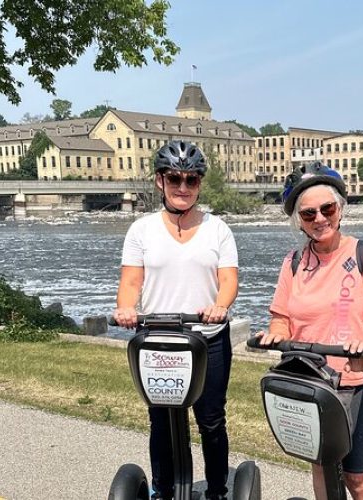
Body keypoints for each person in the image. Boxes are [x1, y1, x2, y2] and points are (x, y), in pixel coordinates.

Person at [258, 161, 363, 500]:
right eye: (309, 214)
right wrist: (276, 332)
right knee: (321, 466)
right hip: (310, 381)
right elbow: (281, 317)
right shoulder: (293, 262)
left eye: (327, 209)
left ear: (340, 209)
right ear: (299, 221)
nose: (320, 219)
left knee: (358, 476)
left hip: (357, 384)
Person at [113, 140, 238, 500]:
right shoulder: (141, 230)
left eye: (191, 180)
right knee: (162, 421)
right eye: (174, 179)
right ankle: (162, 491)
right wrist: (126, 308)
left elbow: (228, 280)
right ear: (159, 181)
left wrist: (220, 305)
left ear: (199, 183)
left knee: (211, 421)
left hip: (208, 339)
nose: (183, 187)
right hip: (157, 339)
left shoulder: (218, 229)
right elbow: (131, 281)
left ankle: (217, 491)